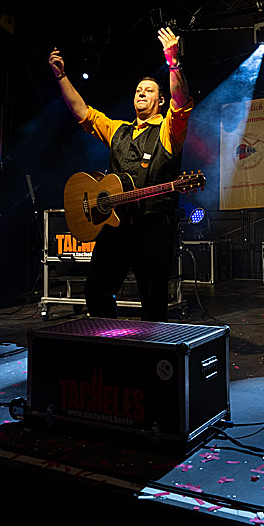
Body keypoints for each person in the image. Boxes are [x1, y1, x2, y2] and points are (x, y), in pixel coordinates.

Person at [49, 28, 193, 322]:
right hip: (116, 225)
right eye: (138, 89)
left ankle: (153, 357)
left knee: (153, 302)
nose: (141, 92)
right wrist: (62, 77)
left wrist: (173, 64)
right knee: (96, 290)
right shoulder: (119, 130)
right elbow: (82, 113)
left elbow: (181, 106)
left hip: (154, 225)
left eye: (149, 90)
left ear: (160, 101)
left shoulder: (167, 130)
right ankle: (111, 341)